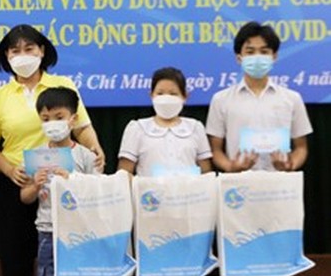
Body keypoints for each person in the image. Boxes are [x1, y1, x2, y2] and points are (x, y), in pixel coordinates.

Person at [0, 24, 105, 276]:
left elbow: (82, 126)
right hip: (19, 184)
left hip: (63, 185)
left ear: (42, 51)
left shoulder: (62, 85)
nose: (22, 55)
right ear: (6, 56)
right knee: (16, 265)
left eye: (29, 48)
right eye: (15, 50)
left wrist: (96, 149)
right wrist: (10, 170)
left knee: (67, 259)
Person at [20, 86, 100, 276]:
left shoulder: (86, 155)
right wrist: (35, 185)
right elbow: (25, 197)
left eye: (59, 117)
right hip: (48, 230)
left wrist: (72, 180)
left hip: (81, 231)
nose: (52, 123)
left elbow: (97, 194)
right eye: (46, 119)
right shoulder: (35, 156)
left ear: (73, 119)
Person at [206, 21, 313, 172]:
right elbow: (215, 150)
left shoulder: (292, 98)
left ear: (274, 56)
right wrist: (231, 166)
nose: (257, 57)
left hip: (281, 181)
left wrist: (290, 165)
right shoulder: (221, 99)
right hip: (238, 183)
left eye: (264, 52)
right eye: (250, 52)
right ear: (239, 58)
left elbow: (301, 147)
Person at [118, 67, 213, 176]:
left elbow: (206, 173)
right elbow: (124, 174)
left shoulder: (195, 127)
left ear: (185, 96)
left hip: (188, 187)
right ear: (151, 95)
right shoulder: (137, 128)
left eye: (173, 94)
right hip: (149, 187)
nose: (166, 99)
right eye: (160, 93)